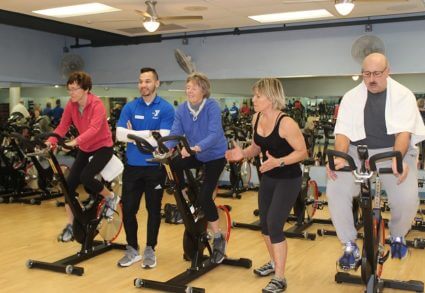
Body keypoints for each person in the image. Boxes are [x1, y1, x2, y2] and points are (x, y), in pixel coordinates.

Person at [326, 53, 425, 270]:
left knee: (406, 198)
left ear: (387, 71)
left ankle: (398, 235)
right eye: (366, 74)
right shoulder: (351, 96)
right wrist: (339, 157)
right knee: (335, 190)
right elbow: (342, 133)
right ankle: (349, 244)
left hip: (393, 149)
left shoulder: (403, 95)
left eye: (377, 74)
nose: (371, 79)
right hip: (357, 150)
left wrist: (396, 158)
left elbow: (403, 134)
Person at [226, 78, 307, 293]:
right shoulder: (256, 118)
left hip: (289, 178)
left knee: (275, 223)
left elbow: (303, 152)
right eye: (254, 95)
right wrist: (242, 153)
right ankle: (273, 263)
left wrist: (278, 161)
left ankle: (280, 278)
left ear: (271, 98)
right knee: (265, 224)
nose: (253, 99)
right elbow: (256, 147)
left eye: (258, 96)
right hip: (269, 177)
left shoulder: (286, 123)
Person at [46, 71, 120, 242]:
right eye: (69, 89)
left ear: (86, 89)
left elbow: (94, 129)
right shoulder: (71, 106)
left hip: (102, 147)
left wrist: (75, 141)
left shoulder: (97, 104)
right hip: (86, 148)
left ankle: (110, 197)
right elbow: (62, 127)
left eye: (74, 89)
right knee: (68, 185)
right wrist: (50, 141)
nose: (71, 93)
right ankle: (72, 225)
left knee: (86, 177)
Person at [115, 67, 174, 268]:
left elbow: (161, 141)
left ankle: (150, 248)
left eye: (148, 81)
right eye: (140, 81)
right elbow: (119, 135)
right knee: (129, 209)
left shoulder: (166, 108)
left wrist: (134, 135)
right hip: (132, 167)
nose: (143, 85)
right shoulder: (129, 107)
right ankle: (132, 249)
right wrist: (149, 133)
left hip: (154, 168)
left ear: (157, 83)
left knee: (153, 210)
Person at [168, 72, 229, 264]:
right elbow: (175, 132)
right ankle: (187, 193)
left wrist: (196, 147)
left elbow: (214, 133)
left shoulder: (211, 106)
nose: (189, 91)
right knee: (174, 163)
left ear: (203, 89)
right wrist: (164, 148)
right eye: (187, 88)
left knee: (205, 196)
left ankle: (218, 236)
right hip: (196, 154)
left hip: (215, 155)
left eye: (193, 87)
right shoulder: (182, 109)